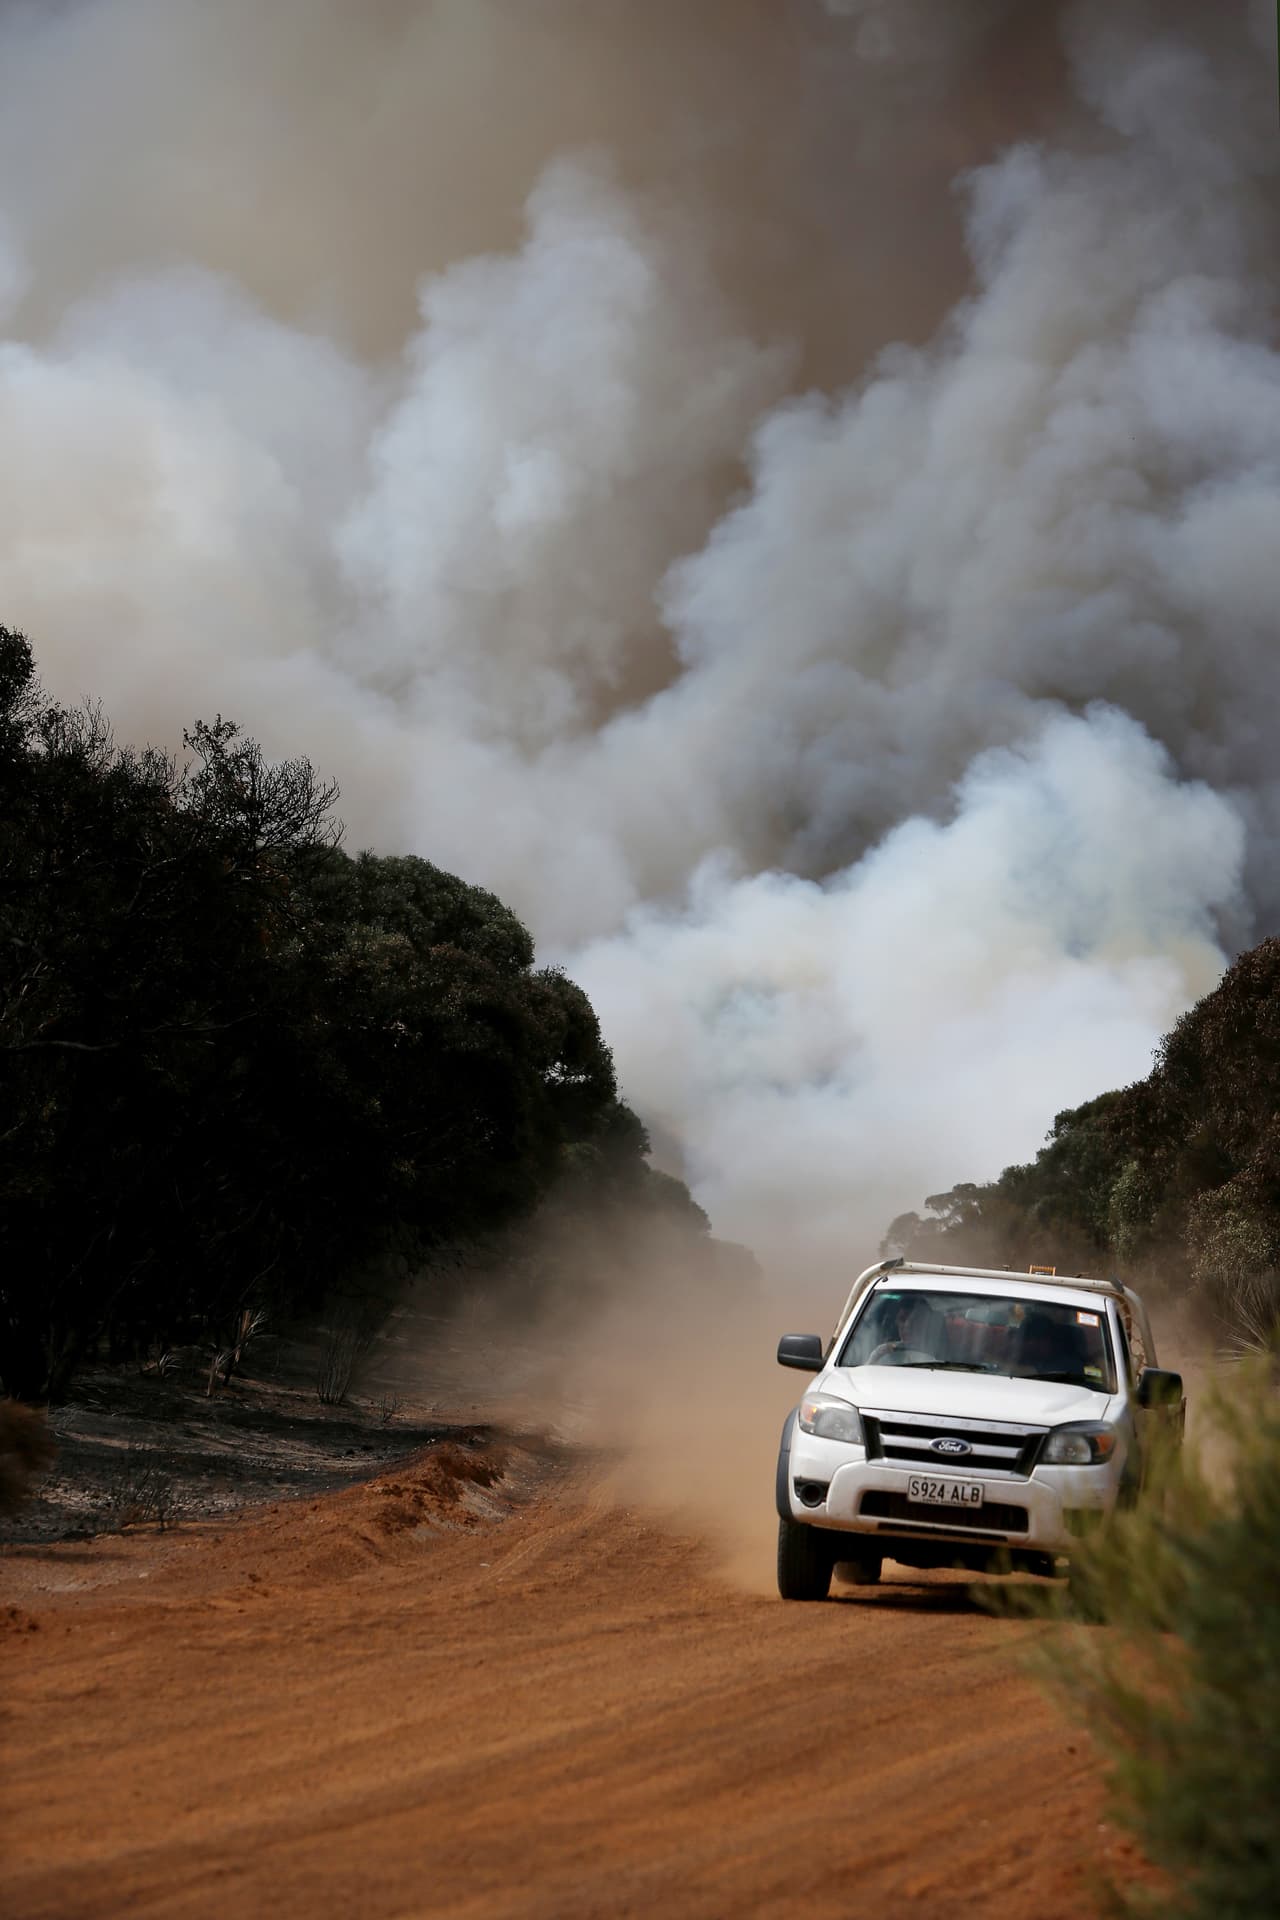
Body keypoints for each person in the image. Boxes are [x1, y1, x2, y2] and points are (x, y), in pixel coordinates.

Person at [867, 1295, 940, 1365]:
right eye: (902, 1319)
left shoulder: (938, 1357)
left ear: (925, 1324)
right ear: (896, 1322)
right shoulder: (882, 1353)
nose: (907, 1326)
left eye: (915, 1320)